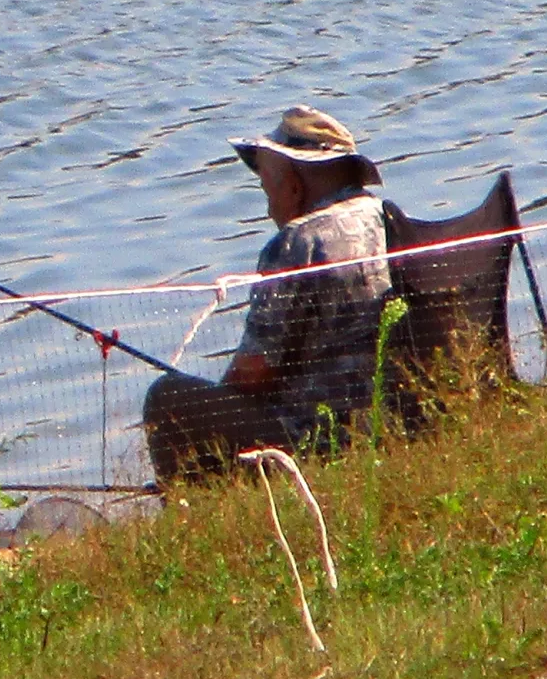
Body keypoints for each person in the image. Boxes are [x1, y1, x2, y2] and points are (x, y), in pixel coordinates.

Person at [142, 105, 393, 484]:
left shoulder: (297, 244)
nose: (268, 208)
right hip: (387, 422)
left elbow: (253, 374)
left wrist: (218, 405)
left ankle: (187, 506)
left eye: (267, 192)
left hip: (315, 439)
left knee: (168, 397)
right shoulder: (389, 220)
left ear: (292, 187)